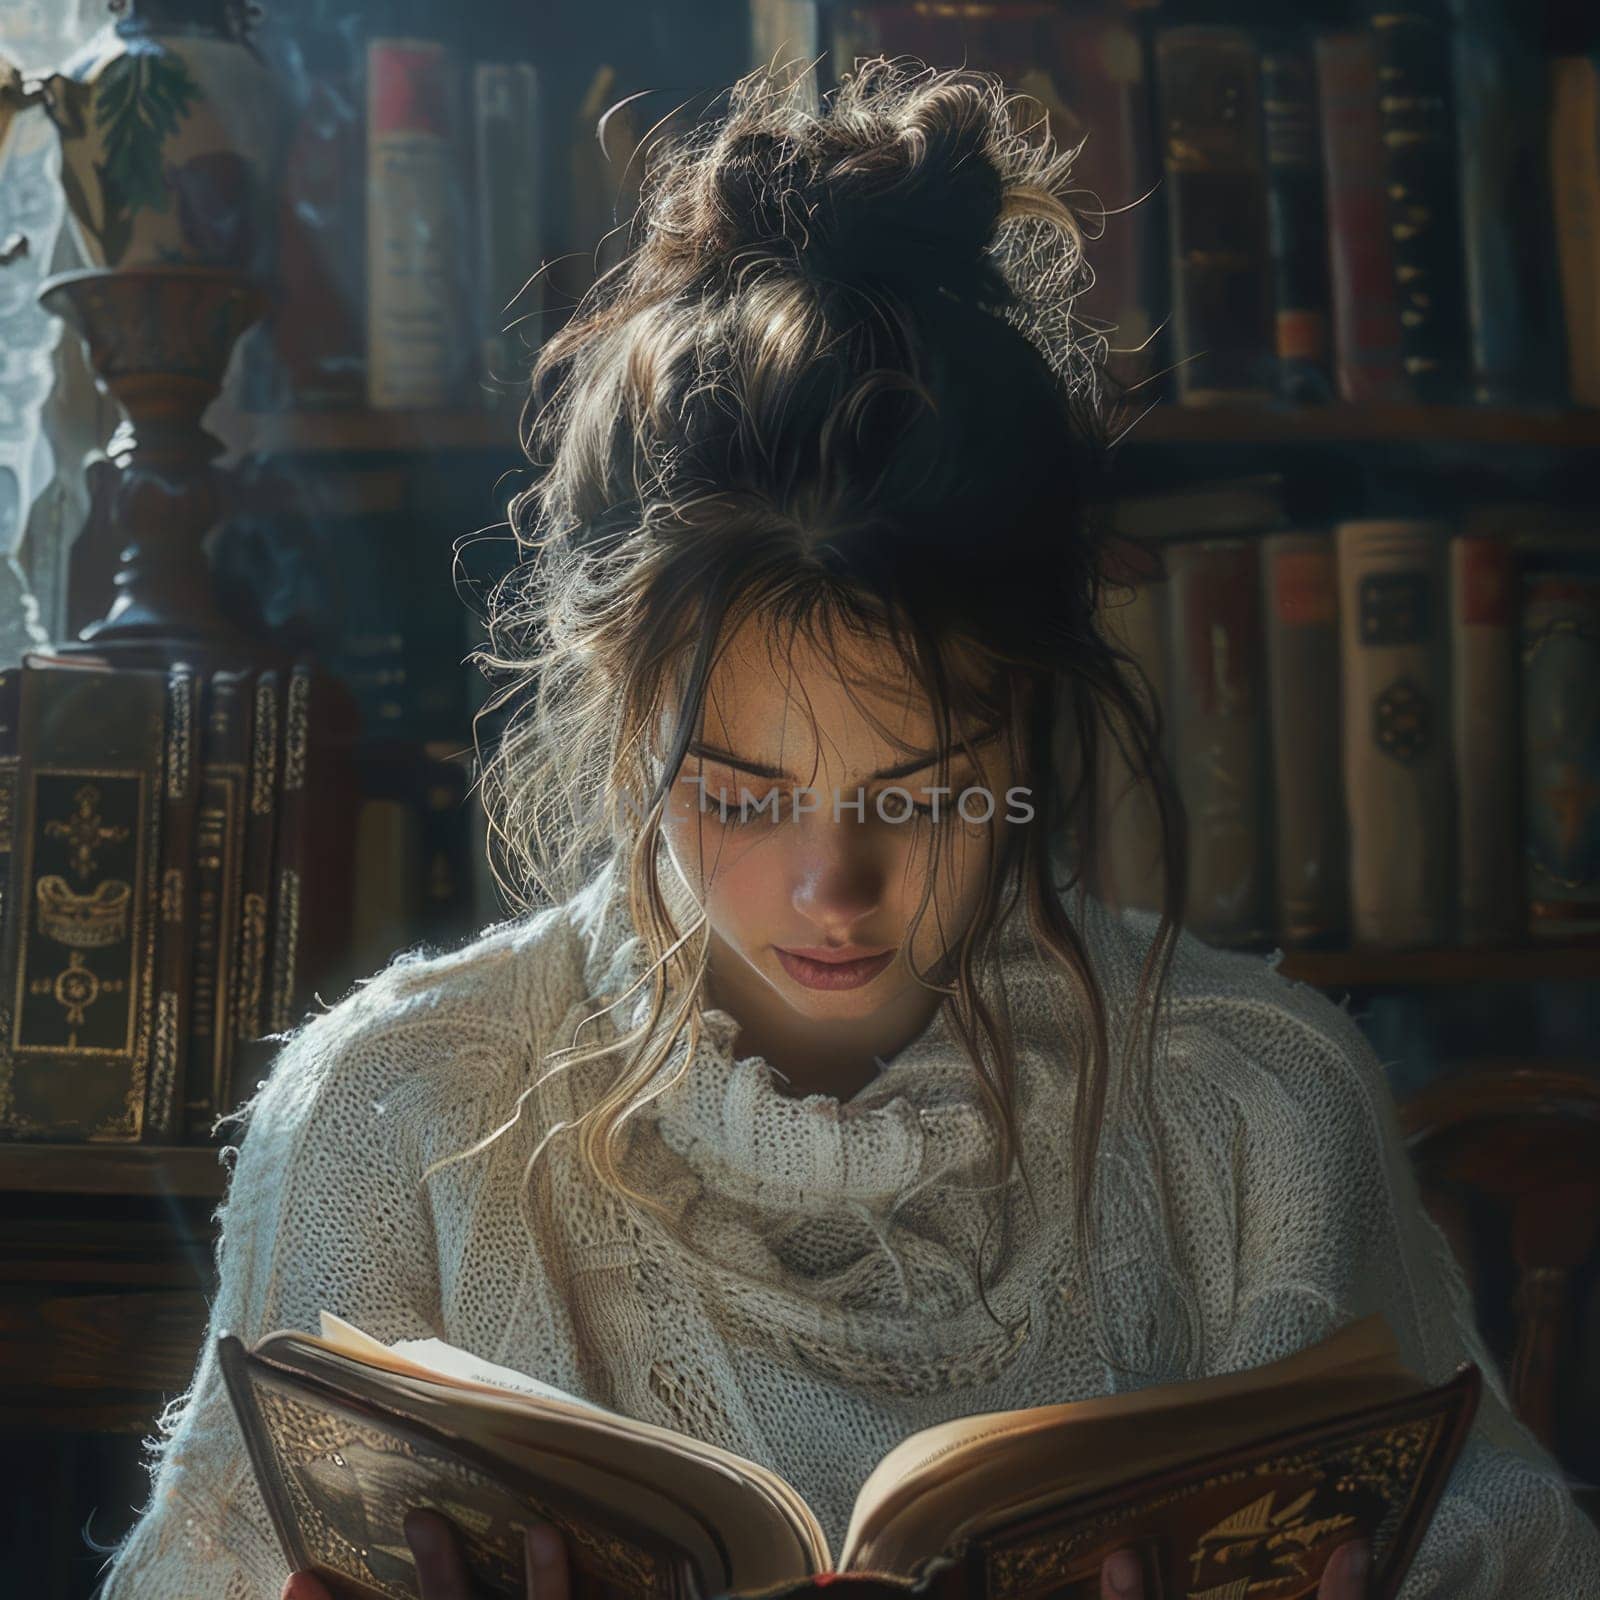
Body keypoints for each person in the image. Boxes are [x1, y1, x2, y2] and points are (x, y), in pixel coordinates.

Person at [94, 55, 1599, 1600]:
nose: (835, 889)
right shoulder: (390, 1121)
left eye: (927, 791)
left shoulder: (1258, 1118)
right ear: (616, 715)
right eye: (741, 794)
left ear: (1034, 723)